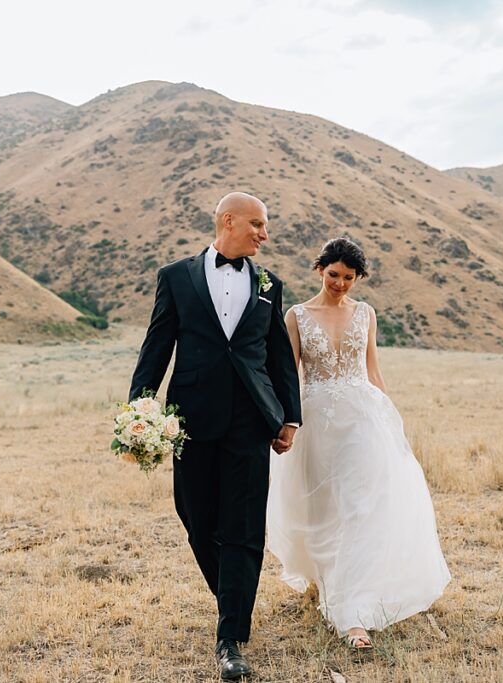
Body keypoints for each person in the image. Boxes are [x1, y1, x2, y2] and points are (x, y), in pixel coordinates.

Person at [128, 192, 302, 681]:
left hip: (251, 419)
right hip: (193, 419)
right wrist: (140, 405)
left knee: (244, 527)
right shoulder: (176, 277)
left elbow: (277, 356)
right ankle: (233, 598)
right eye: (258, 225)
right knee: (196, 517)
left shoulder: (270, 284)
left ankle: (231, 638)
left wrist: (290, 416)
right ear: (229, 221)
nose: (265, 234)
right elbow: (157, 345)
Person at [266, 236, 451, 650]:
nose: (341, 284)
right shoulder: (296, 315)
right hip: (315, 423)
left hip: (362, 422)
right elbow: (287, 375)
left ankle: (353, 615)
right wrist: (283, 423)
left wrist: (391, 422)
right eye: (334, 275)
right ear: (319, 270)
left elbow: (374, 371)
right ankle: (329, 581)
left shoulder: (365, 314)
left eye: (350, 278)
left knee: (358, 508)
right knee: (323, 509)